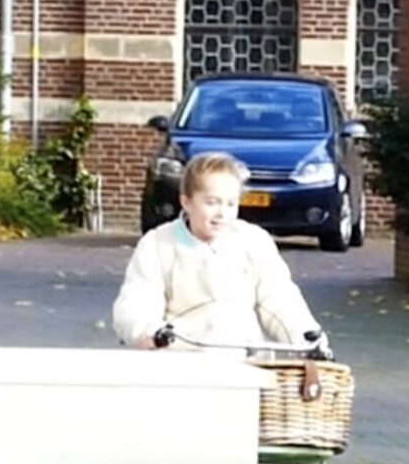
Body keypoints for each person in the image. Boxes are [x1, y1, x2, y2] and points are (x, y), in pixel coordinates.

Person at [111, 151, 326, 353]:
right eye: (212, 203)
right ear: (186, 202)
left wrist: (305, 337)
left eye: (231, 204)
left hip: (245, 361)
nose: (222, 213)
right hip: (179, 365)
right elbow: (137, 300)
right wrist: (149, 331)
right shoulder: (158, 244)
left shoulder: (253, 241)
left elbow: (279, 299)